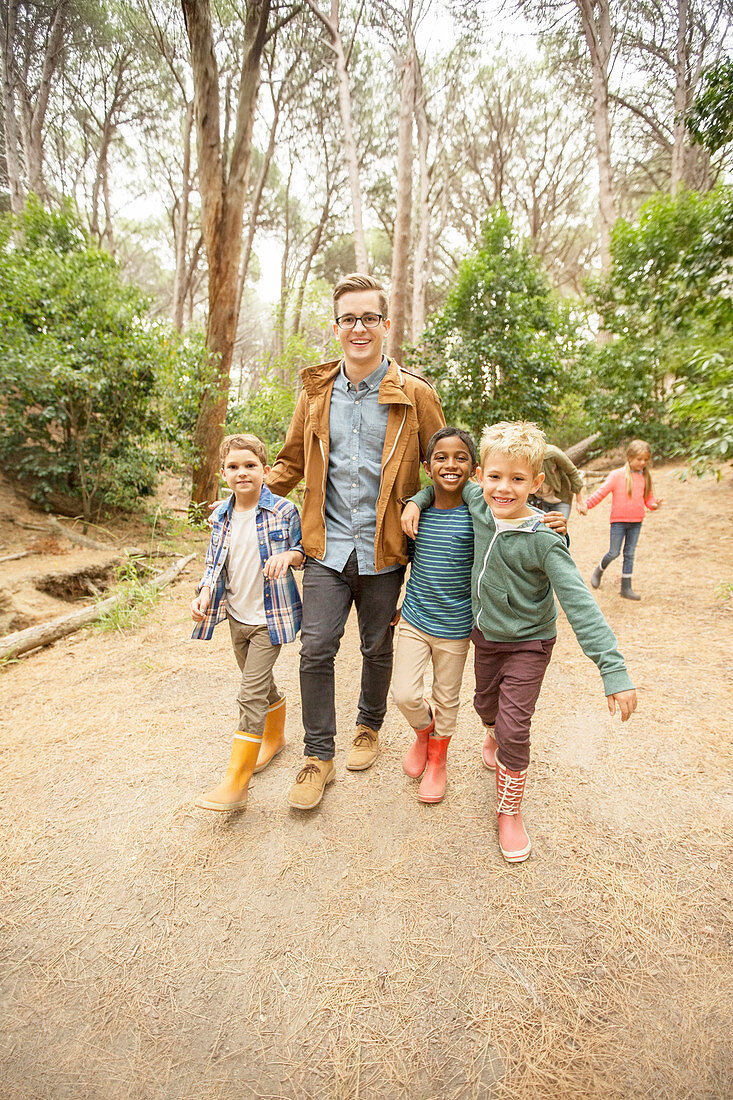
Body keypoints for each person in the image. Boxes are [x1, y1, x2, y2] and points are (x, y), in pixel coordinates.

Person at [402, 421, 636, 863]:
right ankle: (492, 732)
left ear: (537, 483)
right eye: (494, 477)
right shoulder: (478, 504)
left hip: (530, 643)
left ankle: (509, 811)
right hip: (485, 637)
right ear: (479, 477)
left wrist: (613, 669)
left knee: (514, 727)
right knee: (484, 708)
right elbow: (440, 485)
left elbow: (579, 604)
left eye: (517, 479)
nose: (503, 488)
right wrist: (416, 499)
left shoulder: (546, 540)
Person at [266, 273, 445, 811]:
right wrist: (242, 498)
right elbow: (292, 462)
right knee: (316, 648)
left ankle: (369, 725)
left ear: (386, 325)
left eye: (370, 317)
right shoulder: (316, 395)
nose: (359, 328)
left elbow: (448, 468)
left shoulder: (415, 396)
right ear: (337, 326)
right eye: (349, 318)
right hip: (326, 547)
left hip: (386, 550)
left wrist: (517, 514)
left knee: (376, 646)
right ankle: (318, 756)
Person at [191, 434, 305, 811]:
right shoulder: (220, 516)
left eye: (251, 465)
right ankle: (275, 738)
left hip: (268, 620)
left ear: (266, 470)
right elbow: (213, 564)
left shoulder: (284, 511)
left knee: (249, 693)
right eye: (234, 467)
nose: (243, 473)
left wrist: (288, 556)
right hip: (236, 617)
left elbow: (303, 550)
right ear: (223, 473)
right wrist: (205, 593)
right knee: (258, 685)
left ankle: (235, 784)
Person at [587, 439, 663, 601]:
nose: (643, 463)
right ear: (629, 457)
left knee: (629, 553)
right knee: (614, 552)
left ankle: (626, 587)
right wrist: (586, 505)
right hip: (619, 522)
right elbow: (601, 493)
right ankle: (599, 569)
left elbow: (648, 500)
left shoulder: (645, 477)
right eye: (639, 459)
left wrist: (654, 505)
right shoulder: (617, 475)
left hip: (636, 522)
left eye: (645, 460)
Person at [529, 441, 588, 520]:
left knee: (559, 528)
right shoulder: (521, 459)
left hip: (560, 497)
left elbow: (572, 472)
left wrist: (579, 501)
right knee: (543, 528)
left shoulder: (552, 453)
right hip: (539, 500)